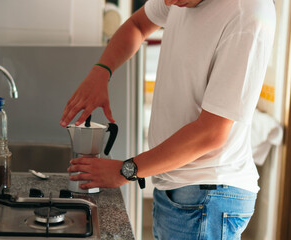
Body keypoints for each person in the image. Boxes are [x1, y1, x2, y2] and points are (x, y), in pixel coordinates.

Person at [60, 0, 276, 239]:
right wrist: (101, 71)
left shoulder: (248, 14)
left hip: (207, 197)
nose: (168, 2)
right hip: (176, 187)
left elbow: (211, 133)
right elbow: (138, 24)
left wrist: (125, 171)